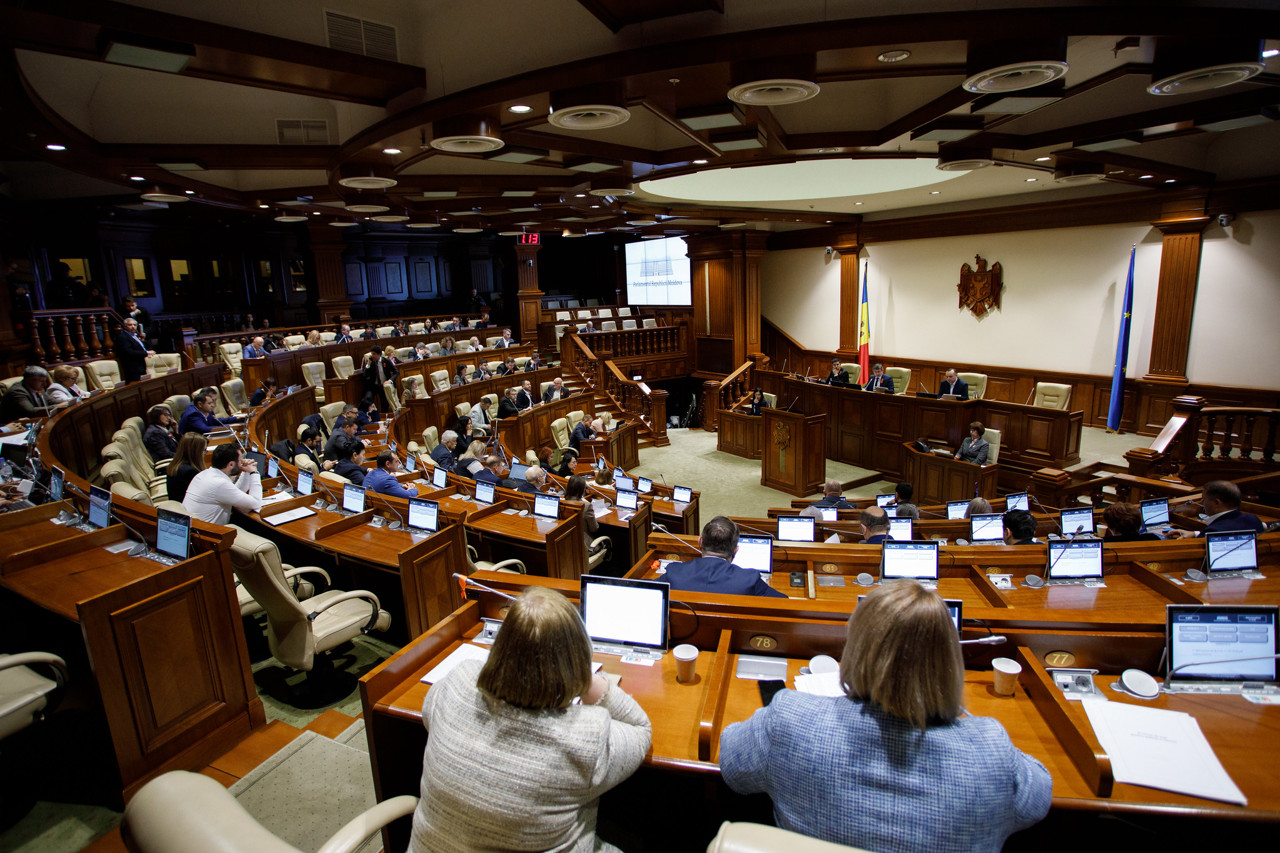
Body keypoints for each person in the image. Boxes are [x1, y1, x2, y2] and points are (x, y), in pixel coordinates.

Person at [719, 580, 1051, 851]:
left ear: (855, 650)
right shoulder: (991, 751)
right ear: (951, 661)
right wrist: (948, 705)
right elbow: (1038, 798)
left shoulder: (790, 719)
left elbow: (732, 761)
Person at [408, 587, 652, 849]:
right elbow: (640, 728)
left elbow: (428, 713)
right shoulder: (584, 738)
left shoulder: (456, 684)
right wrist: (584, 676)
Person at [663, 516, 787, 598]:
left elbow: (645, 590)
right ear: (735, 549)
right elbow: (785, 602)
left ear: (700, 542)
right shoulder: (750, 580)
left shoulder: (674, 572)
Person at [182, 443, 262, 525]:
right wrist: (254, 472)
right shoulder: (219, 483)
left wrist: (246, 472)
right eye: (240, 460)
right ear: (231, 464)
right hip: (208, 534)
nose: (242, 462)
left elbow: (236, 492)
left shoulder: (204, 474)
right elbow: (255, 503)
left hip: (195, 528)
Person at [1172, 479, 1265, 536]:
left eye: (1204, 499)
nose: (1202, 502)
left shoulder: (1214, 531)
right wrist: (1195, 534)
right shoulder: (1253, 519)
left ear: (1217, 502)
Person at [563, 474, 601, 550]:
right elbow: (594, 529)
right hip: (584, 546)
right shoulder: (586, 506)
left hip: (567, 544)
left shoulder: (562, 503)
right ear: (582, 490)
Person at [165, 433, 206, 503]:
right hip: (187, 510)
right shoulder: (189, 472)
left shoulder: (177, 465)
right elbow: (204, 495)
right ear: (196, 452)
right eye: (204, 450)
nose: (205, 453)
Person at [114, 316, 154, 383]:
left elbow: (143, 347)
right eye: (130, 325)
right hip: (133, 368)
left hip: (142, 366)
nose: (133, 326)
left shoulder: (136, 336)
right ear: (125, 326)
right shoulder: (122, 337)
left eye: (134, 325)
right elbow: (129, 352)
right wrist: (146, 353)